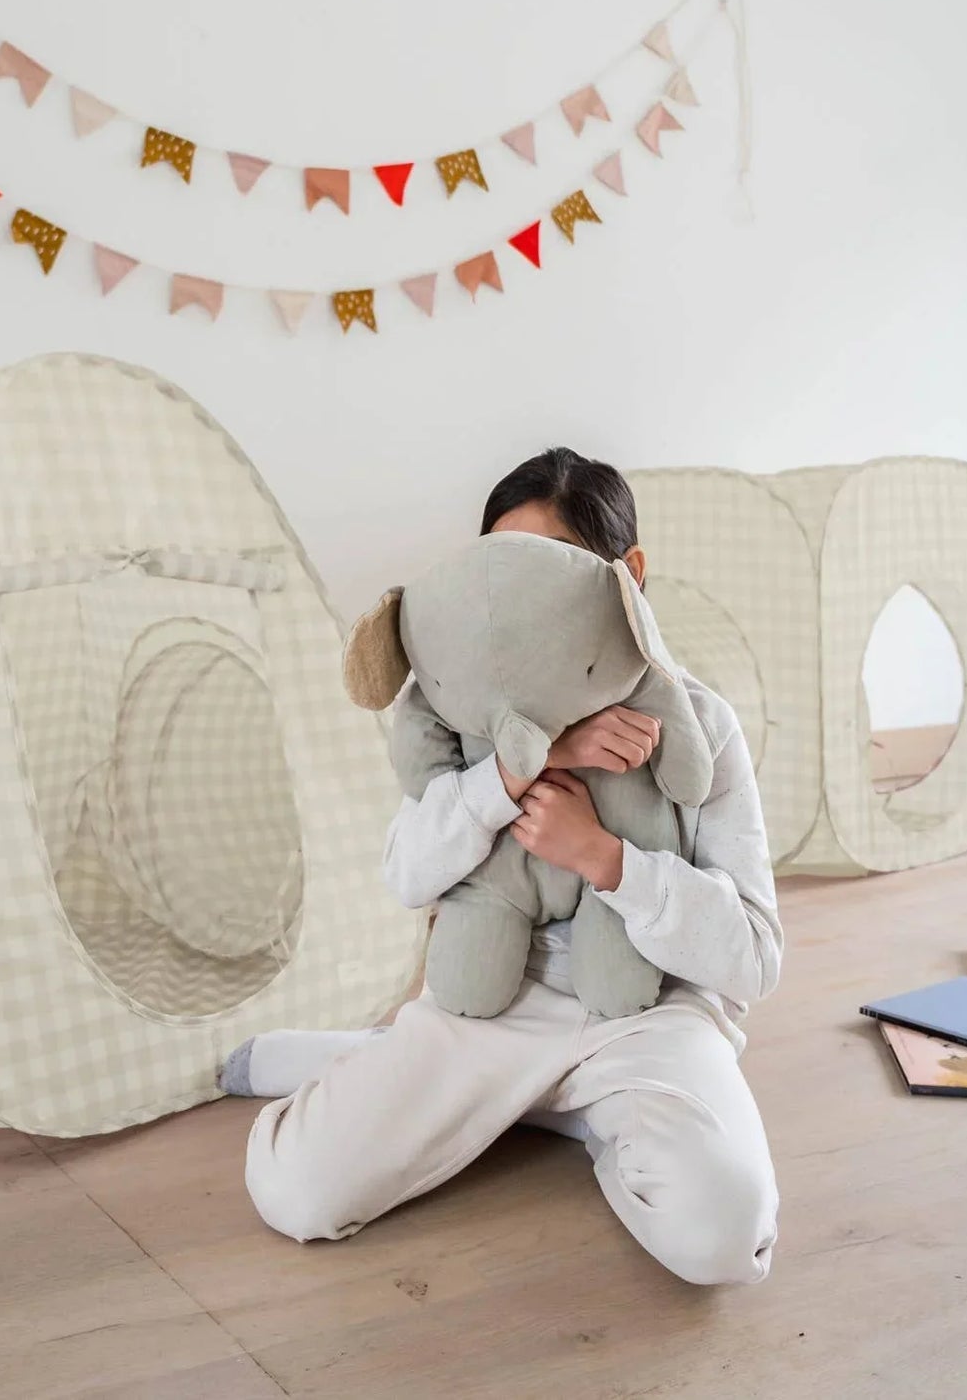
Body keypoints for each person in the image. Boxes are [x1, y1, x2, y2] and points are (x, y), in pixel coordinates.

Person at [221, 447, 782, 1286]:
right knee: (294, 1192)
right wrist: (515, 768)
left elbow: (753, 957)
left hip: (649, 1012)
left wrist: (604, 857)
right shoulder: (464, 718)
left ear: (624, 575)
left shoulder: (698, 722)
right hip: (488, 1004)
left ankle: (554, 1110)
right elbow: (408, 875)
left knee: (725, 1238)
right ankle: (476, 1086)